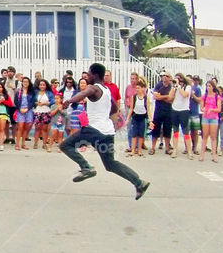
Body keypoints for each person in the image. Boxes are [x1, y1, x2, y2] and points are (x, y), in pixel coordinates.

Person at [59, 63, 150, 200]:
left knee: (65, 145)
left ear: (95, 75)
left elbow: (84, 93)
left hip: (94, 129)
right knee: (110, 164)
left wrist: (69, 101)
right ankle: (139, 183)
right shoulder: (107, 91)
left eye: (89, 74)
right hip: (107, 132)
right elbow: (113, 109)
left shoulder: (93, 88)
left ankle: (86, 167)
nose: (87, 76)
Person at [149, 72, 174, 155]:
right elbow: (155, 96)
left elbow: (171, 99)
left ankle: (167, 148)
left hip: (168, 111)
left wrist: (161, 97)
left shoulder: (171, 87)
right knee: (155, 129)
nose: (164, 77)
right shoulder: (158, 85)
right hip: (158, 110)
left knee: (167, 129)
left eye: (167, 76)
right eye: (163, 76)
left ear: (170, 78)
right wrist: (166, 96)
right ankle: (152, 147)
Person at [127, 79, 153, 157]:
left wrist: (150, 120)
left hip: (142, 118)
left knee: (141, 135)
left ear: (142, 88)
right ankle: (133, 150)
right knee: (134, 134)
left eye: (139, 88)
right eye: (136, 88)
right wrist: (128, 119)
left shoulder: (146, 99)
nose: (137, 90)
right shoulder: (134, 97)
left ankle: (139, 150)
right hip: (135, 117)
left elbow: (148, 110)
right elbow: (131, 108)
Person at [198, 80, 221, 163]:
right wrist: (206, 109)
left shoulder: (217, 97)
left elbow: (219, 109)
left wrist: (212, 110)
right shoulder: (204, 96)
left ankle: (214, 155)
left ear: (213, 87)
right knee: (205, 136)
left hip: (214, 118)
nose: (208, 88)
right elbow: (201, 107)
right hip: (206, 117)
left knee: (213, 137)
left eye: (210, 86)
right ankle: (202, 155)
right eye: (207, 86)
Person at [13, 76, 36, 151]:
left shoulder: (31, 92)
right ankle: (17, 144)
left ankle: (23, 143)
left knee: (27, 127)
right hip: (20, 110)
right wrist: (20, 108)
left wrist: (27, 109)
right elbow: (16, 101)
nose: (25, 83)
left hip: (28, 110)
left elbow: (32, 102)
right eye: (24, 82)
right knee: (20, 127)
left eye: (27, 82)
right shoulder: (18, 91)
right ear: (22, 83)